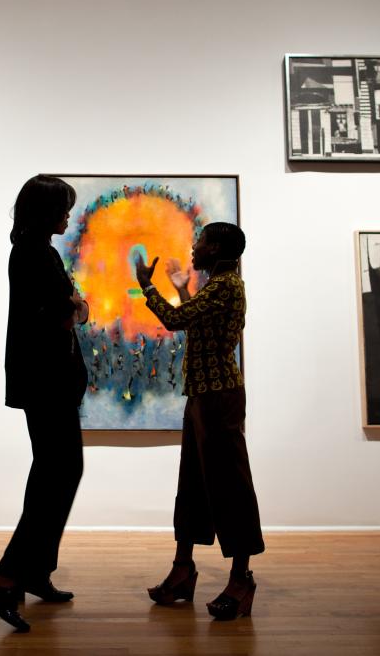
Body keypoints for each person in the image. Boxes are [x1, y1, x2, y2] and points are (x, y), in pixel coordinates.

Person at [0, 174, 89, 633]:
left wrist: (72, 305)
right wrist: (76, 306)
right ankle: (6, 576)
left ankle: (36, 570)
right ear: (45, 212)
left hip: (47, 382)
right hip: (47, 383)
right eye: (63, 208)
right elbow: (65, 314)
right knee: (55, 476)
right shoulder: (35, 255)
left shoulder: (35, 252)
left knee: (57, 473)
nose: (67, 215)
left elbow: (62, 309)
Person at [134, 221, 264, 621]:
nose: (194, 246)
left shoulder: (226, 285)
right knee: (192, 484)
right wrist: (181, 289)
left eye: (202, 242)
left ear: (220, 249)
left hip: (219, 398)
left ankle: (241, 578)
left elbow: (177, 321)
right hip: (204, 395)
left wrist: (147, 286)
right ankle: (182, 569)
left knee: (230, 485)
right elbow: (196, 321)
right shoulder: (218, 285)